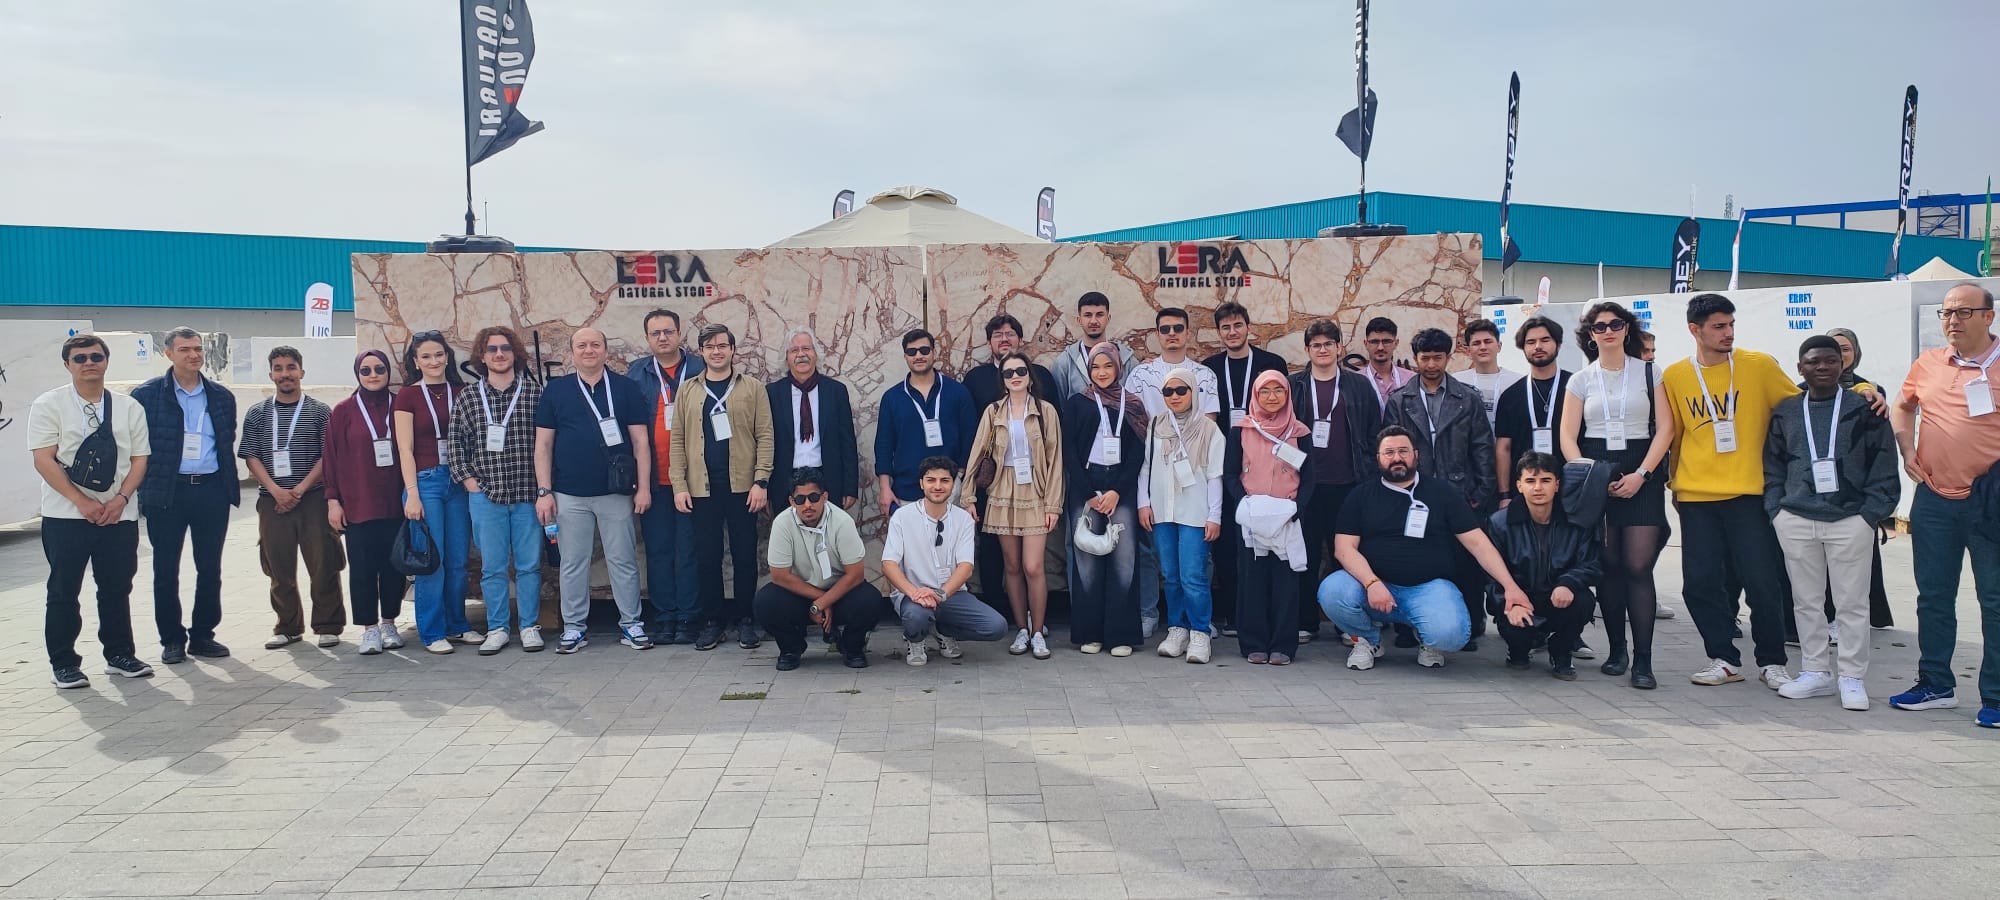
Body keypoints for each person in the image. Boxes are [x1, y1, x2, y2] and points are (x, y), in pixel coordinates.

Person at [1661, 293, 1808, 689]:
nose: (1728, 333)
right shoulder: (1675, 376)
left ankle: (1772, 661)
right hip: (1696, 496)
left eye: (1731, 325)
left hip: (1749, 494)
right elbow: (1675, 436)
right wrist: (1674, 483)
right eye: (1718, 327)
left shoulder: (1758, 366)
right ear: (1695, 330)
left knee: (1762, 582)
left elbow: (1804, 406)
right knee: (1700, 583)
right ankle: (1723, 658)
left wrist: (1861, 391)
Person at [1319, 426, 1531, 670]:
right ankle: (1369, 640)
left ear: (1416, 455)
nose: (1396, 458)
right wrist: (1371, 583)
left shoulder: (1443, 492)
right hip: (1374, 587)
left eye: (1403, 451)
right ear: (1378, 458)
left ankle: (1427, 638)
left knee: (1452, 636)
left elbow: (1478, 543)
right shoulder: (1360, 496)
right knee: (1332, 592)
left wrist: (1510, 587)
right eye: (1389, 452)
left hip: (1429, 589)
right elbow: (1344, 549)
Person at [1766, 336, 1901, 711]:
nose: (1822, 367)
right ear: (1800, 368)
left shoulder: (1866, 408)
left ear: (1843, 365)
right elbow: (1773, 463)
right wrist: (1777, 511)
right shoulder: (1786, 411)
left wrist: (1870, 515)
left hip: (1850, 520)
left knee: (1852, 604)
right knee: (1806, 602)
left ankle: (1852, 677)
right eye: (1813, 362)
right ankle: (1815, 672)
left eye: (1830, 360)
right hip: (1796, 518)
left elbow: (1884, 462)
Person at [1888, 283, 2000, 728]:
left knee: (1994, 600)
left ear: (1989, 316)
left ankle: (1995, 697)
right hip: (1934, 499)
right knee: (1933, 597)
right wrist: (1906, 450)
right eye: (1947, 312)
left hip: (1990, 503)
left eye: (1963, 312)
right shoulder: (1930, 363)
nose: (1952, 320)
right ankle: (1935, 684)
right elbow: (1902, 407)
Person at [1560, 302, 1675, 688]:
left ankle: (1643, 660)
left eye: (1615, 324)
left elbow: (1666, 429)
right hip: (1598, 468)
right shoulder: (1581, 380)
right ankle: (1616, 651)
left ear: (1627, 329)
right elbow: (1567, 437)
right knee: (1608, 567)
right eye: (1600, 326)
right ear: (1590, 335)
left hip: (1641, 470)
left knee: (1638, 566)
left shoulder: (1649, 371)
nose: (1608, 331)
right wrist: (1591, 476)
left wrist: (1642, 474)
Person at [33, 334, 153, 688]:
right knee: (63, 591)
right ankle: (64, 664)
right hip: (65, 516)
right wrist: (81, 501)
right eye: (80, 358)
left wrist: (121, 499)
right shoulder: (49, 404)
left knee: (116, 588)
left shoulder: (128, 407)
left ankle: (119, 655)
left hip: (119, 516)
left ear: (106, 361)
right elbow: (44, 459)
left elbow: (140, 459)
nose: (89, 363)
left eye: (96, 357)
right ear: (67, 364)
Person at [535, 327, 654, 654]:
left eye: (595, 345)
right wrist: (544, 491)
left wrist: (643, 487)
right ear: (572, 352)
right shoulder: (556, 391)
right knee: (573, 563)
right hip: (568, 494)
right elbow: (543, 445)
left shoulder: (625, 388)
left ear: (605, 350)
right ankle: (574, 628)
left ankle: (632, 624)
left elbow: (641, 443)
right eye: (582, 345)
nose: (589, 350)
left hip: (615, 493)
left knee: (623, 560)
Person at [1386, 327, 1498, 648]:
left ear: (1449, 357)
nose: (1432, 364)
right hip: (1414, 495)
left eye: (1438, 357)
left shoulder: (1467, 398)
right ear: (1415, 359)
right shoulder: (1400, 400)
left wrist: (1481, 493)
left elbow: (1482, 447)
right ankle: (1408, 627)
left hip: (1459, 493)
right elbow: (1390, 448)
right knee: (1412, 561)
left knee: (1464, 564)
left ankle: (1470, 626)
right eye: (1425, 358)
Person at [132, 326, 238, 664]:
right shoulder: (147, 395)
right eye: (185, 349)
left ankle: (203, 635)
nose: (194, 355)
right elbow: (136, 447)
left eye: (197, 349)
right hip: (168, 491)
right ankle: (172, 639)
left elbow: (226, 442)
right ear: (169, 354)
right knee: (165, 570)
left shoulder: (221, 396)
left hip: (210, 490)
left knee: (210, 567)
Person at [670, 324, 776, 651]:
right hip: (702, 489)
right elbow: (677, 439)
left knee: (745, 556)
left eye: (722, 346)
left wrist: (760, 481)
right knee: (707, 557)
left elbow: (765, 436)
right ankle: (713, 622)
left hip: (743, 487)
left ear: (732, 350)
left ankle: (745, 620)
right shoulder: (688, 390)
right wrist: (679, 485)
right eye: (710, 347)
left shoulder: (752, 388)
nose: (716, 351)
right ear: (701, 352)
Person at [960, 350, 1064, 660]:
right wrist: (968, 496)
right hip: (1003, 489)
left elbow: (1055, 460)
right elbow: (977, 453)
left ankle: (1038, 630)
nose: (1015, 376)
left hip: (1035, 490)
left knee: (1034, 566)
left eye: (1020, 371)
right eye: (1008, 373)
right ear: (1002, 379)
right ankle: (1021, 628)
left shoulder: (1045, 411)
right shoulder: (993, 412)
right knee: (1013, 566)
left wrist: (1053, 505)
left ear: (1030, 376)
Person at [240, 347, 344, 650]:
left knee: (323, 563)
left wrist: (300, 489)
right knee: (277, 566)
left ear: (301, 372)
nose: (285, 374)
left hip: (313, 498)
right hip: (272, 501)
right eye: (278, 368)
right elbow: (251, 455)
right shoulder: (257, 413)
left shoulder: (320, 411)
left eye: (290, 367)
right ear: (271, 374)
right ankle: (287, 626)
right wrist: (276, 490)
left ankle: (328, 625)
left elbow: (328, 456)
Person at [450, 327, 545, 655]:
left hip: (527, 495)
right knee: (492, 568)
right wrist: (469, 482)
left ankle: (529, 626)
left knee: (529, 565)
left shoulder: (534, 393)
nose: (499, 354)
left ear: (515, 353)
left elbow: (548, 443)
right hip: (486, 496)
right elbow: (455, 445)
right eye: (492, 349)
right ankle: (498, 628)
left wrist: (544, 488)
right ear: (482, 355)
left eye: (505, 348)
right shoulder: (468, 397)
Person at [1287, 320, 1381, 644]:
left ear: (1339, 347)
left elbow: (1373, 432)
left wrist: (1370, 479)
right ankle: (1305, 621)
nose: (1323, 349)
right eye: (1316, 345)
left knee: (1347, 555)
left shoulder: (1359, 385)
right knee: (1306, 554)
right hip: (1306, 485)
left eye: (1329, 343)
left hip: (1349, 484)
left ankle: (1347, 622)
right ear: (1307, 350)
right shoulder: (1295, 385)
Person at [1202, 301, 1288, 635]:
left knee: (1263, 536)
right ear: (1218, 332)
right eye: (1225, 327)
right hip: (1223, 461)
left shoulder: (1271, 364)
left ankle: (1265, 611)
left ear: (1248, 327)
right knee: (1226, 540)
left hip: (1264, 460)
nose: (1232, 332)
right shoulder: (1210, 368)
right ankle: (1232, 612)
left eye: (1238, 325)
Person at [754, 467, 890, 670]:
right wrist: (819, 601)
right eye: (800, 499)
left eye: (814, 497)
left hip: (840, 591)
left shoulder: (842, 521)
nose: (807, 505)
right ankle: (791, 648)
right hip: (801, 593)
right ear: (792, 501)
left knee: (870, 600)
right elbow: (780, 576)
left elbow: (855, 574)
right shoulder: (782, 523)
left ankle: (851, 647)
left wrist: (824, 602)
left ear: (825, 497)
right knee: (765, 603)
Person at [395, 331, 480, 653]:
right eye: (426, 356)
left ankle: (457, 624)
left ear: (447, 357)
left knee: (458, 560)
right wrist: (412, 493)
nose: (434, 361)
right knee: (433, 560)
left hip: (458, 481)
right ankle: (432, 632)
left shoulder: (461, 392)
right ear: (416, 362)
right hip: (426, 482)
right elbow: (405, 449)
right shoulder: (407, 396)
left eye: (439, 355)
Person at [881, 456, 1009, 665]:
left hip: (951, 594)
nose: (938, 486)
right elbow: (888, 564)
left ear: (953, 485)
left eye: (945, 480)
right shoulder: (902, 517)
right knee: (916, 617)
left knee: (996, 627)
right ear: (921, 483)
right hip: (914, 595)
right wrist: (914, 593)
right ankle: (916, 639)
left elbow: (966, 567)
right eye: (931, 480)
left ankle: (942, 630)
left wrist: (941, 594)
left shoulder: (963, 519)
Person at [1063, 343, 1148, 657]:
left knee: (1124, 560)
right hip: (1084, 486)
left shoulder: (1133, 404)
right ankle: (1090, 633)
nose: (1101, 372)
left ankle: (1120, 634)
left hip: (1121, 487)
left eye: (1108, 366)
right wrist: (1088, 493)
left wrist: (1117, 491)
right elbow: (1069, 451)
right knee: (1087, 559)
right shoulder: (1077, 403)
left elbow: (1138, 453)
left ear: (1118, 368)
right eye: (1096, 367)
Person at [1226, 370, 1316, 665]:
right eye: (1265, 391)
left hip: (1287, 518)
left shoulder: (1299, 432)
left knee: (1285, 583)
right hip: (1252, 517)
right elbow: (1230, 473)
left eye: (1278, 390)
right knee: (1252, 580)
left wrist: (1297, 508)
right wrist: (1244, 504)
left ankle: (1282, 646)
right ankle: (1254, 643)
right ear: (1255, 395)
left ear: (1288, 394)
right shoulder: (1242, 429)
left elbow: (1310, 477)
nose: (1271, 397)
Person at [325, 351, 411, 656]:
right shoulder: (343, 411)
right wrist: (333, 501)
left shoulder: (400, 405)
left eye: (379, 369)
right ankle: (369, 628)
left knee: (393, 567)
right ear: (357, 373)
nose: (373, 375)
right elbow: (331, 458)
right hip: (358, 503)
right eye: (366, 370)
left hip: (395, 502)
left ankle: (389, 623)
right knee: (362, 569)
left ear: (388, 372)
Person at [1487, 453, 1601, 679]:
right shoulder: (1499, 523)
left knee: (1584, 600)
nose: (1538, 487)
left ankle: (1561, 651)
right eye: (1530, 481)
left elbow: (1591, 564)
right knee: (1517, 639)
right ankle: (1518, 649)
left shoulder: (1576, 521)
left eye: (1546, 480)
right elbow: (1490, 576)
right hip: (1520, 597)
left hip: (1558, 596)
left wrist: (1568, 583)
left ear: (1557, 485)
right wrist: (1510, 601)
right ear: (1519, 485)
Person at [1140, 368, 1227, 663]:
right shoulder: (1156, 425)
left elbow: (1215, 475)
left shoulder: (1209, 429)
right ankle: (1177, 628)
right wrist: (1143, 503)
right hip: (1163, 510)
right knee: (1171, 575)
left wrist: (1215, 516)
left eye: (1181, 390)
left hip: (1195, 512)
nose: (1175, 396)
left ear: (1192, 392)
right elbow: (1145, 468)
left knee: (1193, 575)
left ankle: (1200, 631)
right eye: (1168, 392)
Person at [627, 308, 702, 644]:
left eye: (668, 331)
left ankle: (688, 617)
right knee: (658, 552)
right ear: (647, 338)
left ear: (679, 333)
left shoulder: (699, 368)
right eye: (655, 333)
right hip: (654, 480)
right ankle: (665, 617)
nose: (662, 337)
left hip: (692, 479)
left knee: (689, 551)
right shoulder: (636, 373)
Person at [1819, 326, 1895, 630]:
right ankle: (1826, 615)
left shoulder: (1871, 390)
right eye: (1833, 347)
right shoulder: (1805, 388)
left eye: (1846, 348)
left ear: (1855, 353)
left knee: (1859, 557)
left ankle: (1856, 617)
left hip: (1856, 486)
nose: (1839, 354)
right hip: (1818, 486)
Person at [876, 328, 978, 518]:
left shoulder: (958, 392)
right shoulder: (892, 398)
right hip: (906, 491)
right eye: (912, 352)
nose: (918, 356)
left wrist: (960, 477)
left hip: (950, 491)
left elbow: (970, 438)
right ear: (905, 357)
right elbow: (884, 445)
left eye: (924, 350)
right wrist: (884, 488)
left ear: (934, 353)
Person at [767, 328, 859, 507]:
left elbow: (847, 442)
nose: (801, 355)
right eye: (794, 350)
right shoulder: (773, 393)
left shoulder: (835, 391)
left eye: (806, 349)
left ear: (816, 354)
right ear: (786, 358)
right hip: (785, 482)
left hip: (827, 480)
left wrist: (850, 487)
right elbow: (765, 442)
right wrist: (766, 488)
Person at [1493, 315, 1573, 496]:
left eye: (1545, 340)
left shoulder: (1576, 387)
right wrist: (1504, 494)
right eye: (1530, 342)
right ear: (1523, 348)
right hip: (1525, 489)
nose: (1538, 346)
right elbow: (1503, 448)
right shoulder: (1510, 395)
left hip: (1570, 486)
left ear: (1558, 344)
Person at [1051, 291, 1135, 402]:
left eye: (1099, 315)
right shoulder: (1065, 363)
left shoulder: (1126, 359)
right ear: (1079, 320)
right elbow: (1059, 404)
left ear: (1108, 318)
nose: (1093, 321)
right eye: (1088, 315)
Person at [1452, 319, 1525, 429]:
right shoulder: (1457, 382)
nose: (1483, 347)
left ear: (1499, 346)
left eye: (1488, 341)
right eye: (1476, 343)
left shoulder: (1517, 381)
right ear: (1468, 351)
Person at [1362, 317, 1414, 409]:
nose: (1380, 347)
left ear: (1396, 343)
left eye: (1386, 341)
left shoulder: (1411, 380)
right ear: (1366, 344)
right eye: (1374, 342)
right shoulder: (1354, 381)